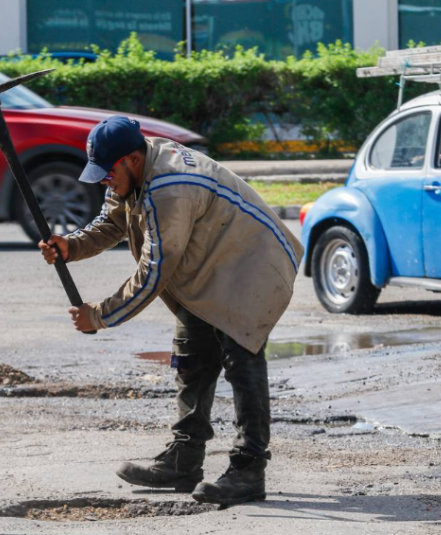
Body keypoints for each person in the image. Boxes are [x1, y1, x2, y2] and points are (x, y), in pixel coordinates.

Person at [38, 116, 303, 506]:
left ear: (131, 158)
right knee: (191, 356)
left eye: (107, 172)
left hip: (253, 263)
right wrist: (71, 246)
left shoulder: (170, 188)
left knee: (241, 358)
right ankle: (183, 460)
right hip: (211, 265)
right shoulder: (134, 169)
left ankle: (249, 470)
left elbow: (153, 274)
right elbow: (113, 221)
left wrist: (98, 315)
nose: (103, 181)